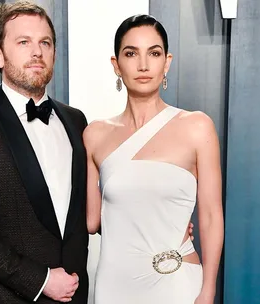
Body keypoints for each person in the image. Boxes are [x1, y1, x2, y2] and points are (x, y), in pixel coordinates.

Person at [0, 2, 88, 303]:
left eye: (45, 43)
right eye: (23, 42)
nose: (37, 52)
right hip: (6, 296)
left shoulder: (76, 120)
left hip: (75, 296)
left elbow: (86, 209)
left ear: (54, 53)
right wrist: (41, 280)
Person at [84, 15, 224, 304]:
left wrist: (208, 290)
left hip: (178, 283)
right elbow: (91, 221)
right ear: (116, 65)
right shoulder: (95, 135)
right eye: (131, 53)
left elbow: (211, 216)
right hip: (114, 285)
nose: (143, 64)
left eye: (154, 53)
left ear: (167, 62)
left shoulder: (197, 127)